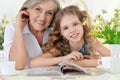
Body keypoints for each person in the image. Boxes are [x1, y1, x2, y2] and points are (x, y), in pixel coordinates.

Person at [30, 5, 111, 68]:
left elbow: (115, 59)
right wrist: (65, 58)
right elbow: (33, 63)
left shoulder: (91, 41)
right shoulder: (60, 46)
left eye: (75, 24)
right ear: (61, 32)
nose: (72, 30)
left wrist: (79, 63)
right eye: (65, 28)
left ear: (82, 24)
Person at [3, 0, 60, 70]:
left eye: (49, 13)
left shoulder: (54, 33)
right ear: (27, 10)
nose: (42, 18)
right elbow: (17, 66)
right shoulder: (13, 28)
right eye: (38, 9)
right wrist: (19, 28)